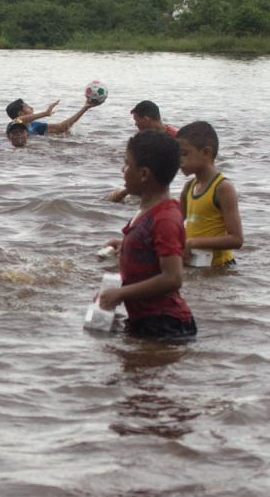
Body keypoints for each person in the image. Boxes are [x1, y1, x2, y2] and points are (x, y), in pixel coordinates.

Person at [94, 130, 195, 341]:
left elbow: (173, 278)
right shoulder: (149, 211)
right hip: (147, 320)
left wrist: (120, 294)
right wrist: (125, 245)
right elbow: (152, 250)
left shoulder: (165, 217)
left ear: (144, 174)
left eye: (127, 163)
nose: (123, 170)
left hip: (166, 325)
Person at [176, 121, 242, 269]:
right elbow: (175, 226)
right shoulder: (188, 187)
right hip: (195, 263)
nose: (179, 160)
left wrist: (192, 243)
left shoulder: (223, 188)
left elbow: (236, 239)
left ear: (206, 153)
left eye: (184, 153)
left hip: (220, 267)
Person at [3, 100, 96, 146]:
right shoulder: (13, 125)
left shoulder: (35, 125)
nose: (32, 108)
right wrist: (45, 113)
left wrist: (85, 108)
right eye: (27, 107)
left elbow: (62, 127)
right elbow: (18, 120)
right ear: (20, 113)